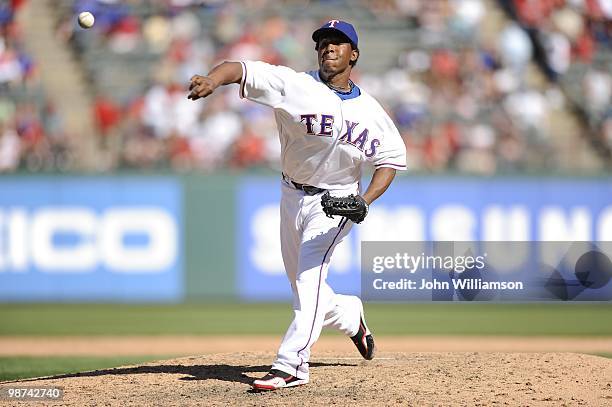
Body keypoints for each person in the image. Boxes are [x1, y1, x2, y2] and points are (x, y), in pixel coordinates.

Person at [187, 19, 407, 391]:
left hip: (335, 202)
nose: (328, 48)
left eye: (338, 43)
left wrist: (363, 200)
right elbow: (240, 69)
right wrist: (212, 79)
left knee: (309, 281)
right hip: (291, 194)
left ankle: (291, 365)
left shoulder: (371, 111)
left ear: (354, 54)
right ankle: (350, 315)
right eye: (323, 42)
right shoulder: (294, 85)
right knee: (306, 286)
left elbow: (391, 159)